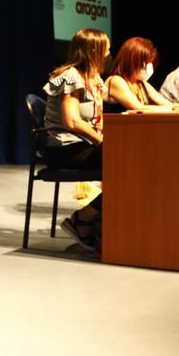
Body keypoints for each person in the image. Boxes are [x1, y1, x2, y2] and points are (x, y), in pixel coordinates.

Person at [42, 28, 109, 252]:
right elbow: (71, 121)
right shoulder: (71, 76)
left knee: (134, 163)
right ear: (94, 50)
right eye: (106, 48)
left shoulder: (94, 78)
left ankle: (96, 221)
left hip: (83, 145)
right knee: (129, 166)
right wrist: (101, 140)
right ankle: (83, 219)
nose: (109, 52)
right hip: (67, 148)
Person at [104, 37, 179, 113]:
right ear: (133, 61)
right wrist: (176, 108)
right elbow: (138, 108)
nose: (148, 67)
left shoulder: (141, 84)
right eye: (145, 62)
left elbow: (167, 104)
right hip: (115, 133)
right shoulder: (116, 81)